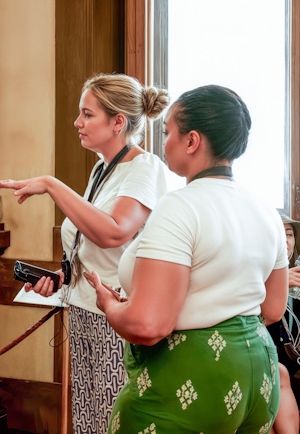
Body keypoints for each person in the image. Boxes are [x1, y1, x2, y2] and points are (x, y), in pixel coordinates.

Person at [85, 84, 288, 432]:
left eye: (168, 133)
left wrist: (111, 305)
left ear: (192, 141)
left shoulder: (180, 206)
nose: (164, 144)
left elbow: (149, 326)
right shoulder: (265, 209)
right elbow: (272, 309)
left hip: (194, 376)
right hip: (258, 375)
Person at [0, 73, 169, 433]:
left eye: (87, 114)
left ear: (118, 122)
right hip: (85, 312)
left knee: (111, 420)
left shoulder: (145, 168)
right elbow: (89, 242)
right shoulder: (103, 168)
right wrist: (61, 277)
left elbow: (114, 232)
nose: (78, 123)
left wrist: (52, 185)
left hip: (118, 319)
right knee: (88, 419)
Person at [268, 212, 300, 434]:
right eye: (278, 233)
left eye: (289, 234)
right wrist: (278, 284)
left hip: (291, 358)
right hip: (270, 355)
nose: (285, 240)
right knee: (279, 374)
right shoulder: (252, 274)